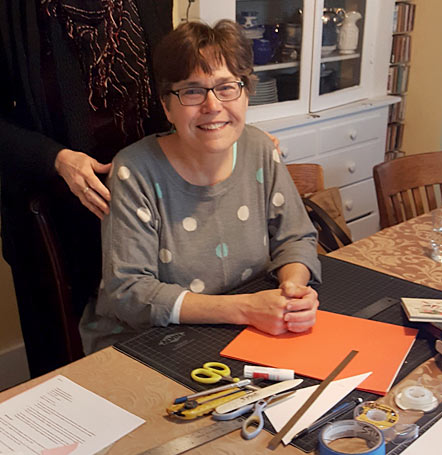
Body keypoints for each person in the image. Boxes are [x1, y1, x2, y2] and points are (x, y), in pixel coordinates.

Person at [0, 0, 173, 376]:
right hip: (52, 223)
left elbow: (169, 98)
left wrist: (227, 127)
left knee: (150, 362)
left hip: (143, 213)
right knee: (65, 373)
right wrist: (58, 159)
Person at [80, 20, 320, 353]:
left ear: (246, 94)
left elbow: (296, 237)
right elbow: (129, 292)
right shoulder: (134, 170)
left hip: (239, 331)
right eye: (192, 90)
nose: (212, 106)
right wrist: (246, 309)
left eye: (226, 87)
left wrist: (292, 292)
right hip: (146, 339)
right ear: (167, 105)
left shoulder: (261, 149)